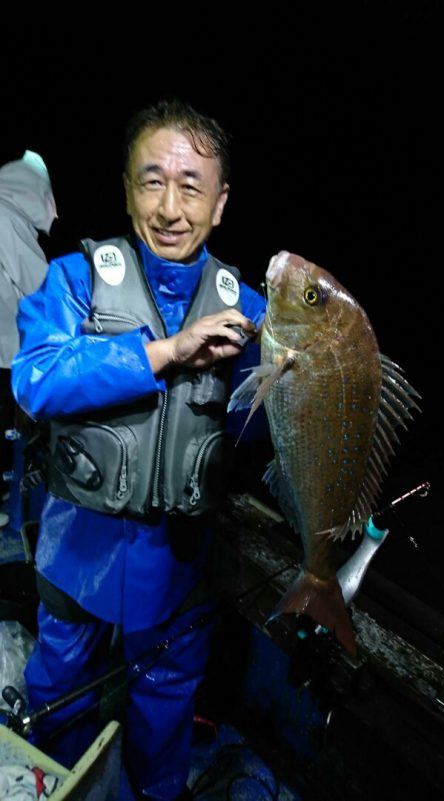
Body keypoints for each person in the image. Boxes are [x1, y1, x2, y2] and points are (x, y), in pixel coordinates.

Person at [11, 99, 266, 801]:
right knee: (55, 705)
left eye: (192, 185)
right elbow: (36, 379)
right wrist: (166, 350)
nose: (171, 207)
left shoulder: (250, 308)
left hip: (179, 574)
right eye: (152, 181)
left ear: (220, 203)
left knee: (164, 726)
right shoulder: (73, 279)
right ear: (127, 191)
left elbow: (272, 427)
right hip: (76, 560)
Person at [0, 151, 57, 527]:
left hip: (7, 348)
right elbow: (39, 285)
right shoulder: (5, 218)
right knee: (18, 431)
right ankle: (13, 509)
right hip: (9, 352)